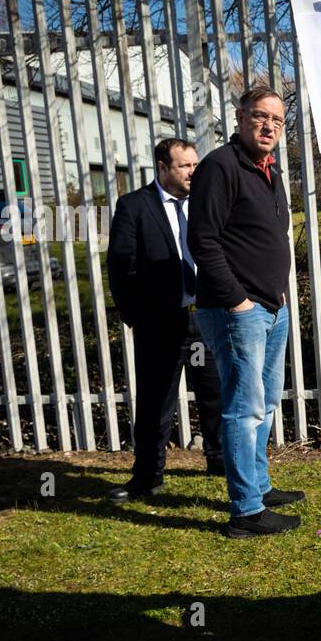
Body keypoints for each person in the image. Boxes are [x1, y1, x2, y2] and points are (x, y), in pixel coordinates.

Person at [189, 86, 304, 537]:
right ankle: (246, 511)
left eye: (277, 121)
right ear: (240, 117)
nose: (269, 126)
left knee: (265, 404)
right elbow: (204, 241)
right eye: (260, 117)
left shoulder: (268, 170)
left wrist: (275, 296)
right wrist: (238, 300)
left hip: (270, 308)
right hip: (237, 310)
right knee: (244, 408)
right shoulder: (220, 166)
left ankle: (259, 485)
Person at [106, 138, 224, 503]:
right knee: (157, 403)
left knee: (216, 395)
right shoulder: (134, 207)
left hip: (205, 317)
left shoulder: (206, 203)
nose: (193, 172)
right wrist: (136, 317)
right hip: (160, 323)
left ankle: (220, 464)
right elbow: (121, 267)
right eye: (184, 166)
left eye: (195, 164)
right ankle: (147, 476)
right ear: (161, 167)